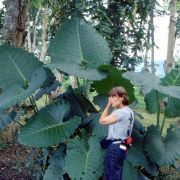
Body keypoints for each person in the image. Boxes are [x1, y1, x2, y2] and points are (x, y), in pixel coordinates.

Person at [99, 86, 134, 180]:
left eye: (113, 96)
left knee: (111, 176)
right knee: (116, 176)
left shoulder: (121, 113)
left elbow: (102, 121)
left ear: (122, 97)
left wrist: (107, 105)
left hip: (115, 148)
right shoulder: (128, 111)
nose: (110, 99)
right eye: (110, 97)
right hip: (122, 147)